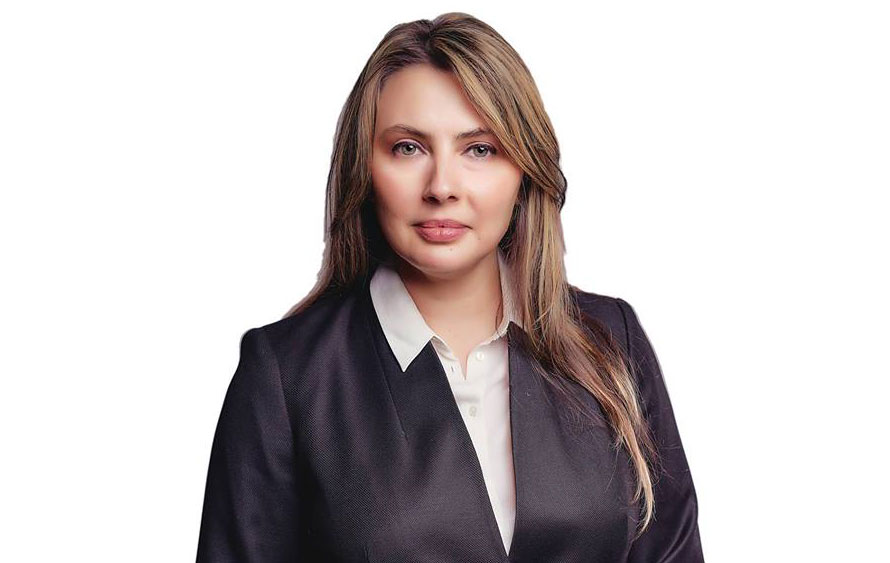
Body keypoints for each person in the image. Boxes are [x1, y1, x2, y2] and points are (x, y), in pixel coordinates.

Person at [196, 12, 704, 562]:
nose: (442, 187)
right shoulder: (287, 375)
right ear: (364, 168)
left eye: (479, 149)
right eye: (408, 148)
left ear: (524, 170)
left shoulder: (609, 340)